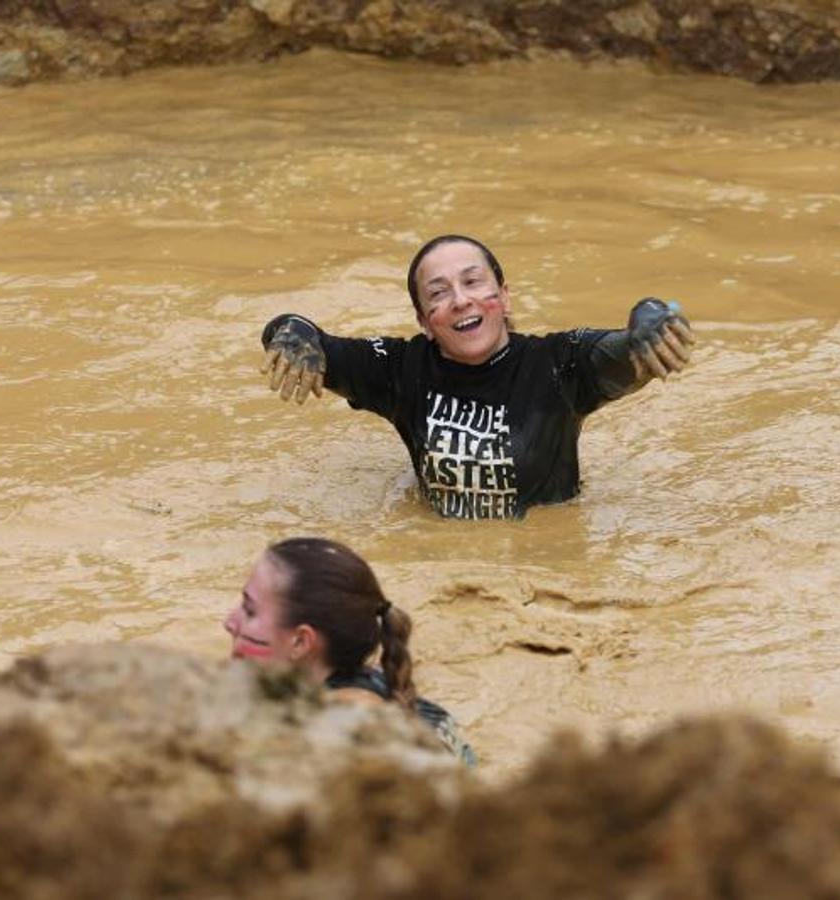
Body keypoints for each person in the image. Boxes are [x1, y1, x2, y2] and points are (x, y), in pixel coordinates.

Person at [259, 234, 694, 520]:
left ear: (503, 297)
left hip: (547, 560)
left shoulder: (558, 363)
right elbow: (307, 337)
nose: (461, 301)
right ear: (424, 321)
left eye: (473, 282)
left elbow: (628, 347)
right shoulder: (400, 369)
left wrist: (650, 317)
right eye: (438, 293)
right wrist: (290, 329)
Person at [223, 536, 476, 765]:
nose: (229, 622)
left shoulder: (340, 737)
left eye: (250, 610)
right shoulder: (354, 692)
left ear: (301, 642)